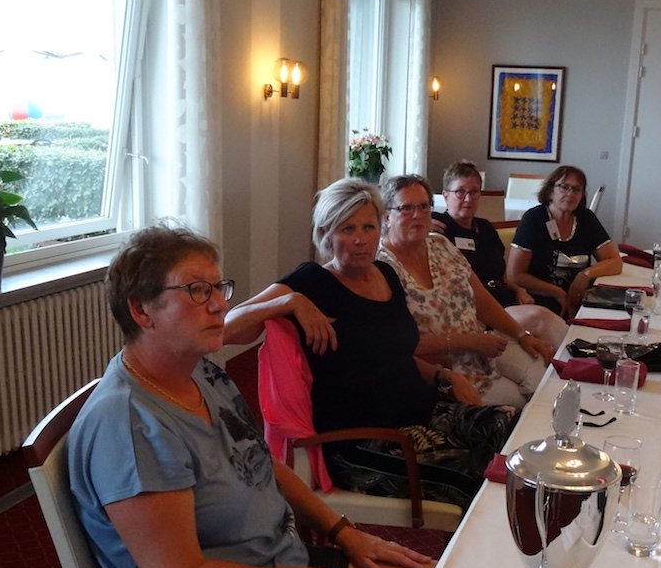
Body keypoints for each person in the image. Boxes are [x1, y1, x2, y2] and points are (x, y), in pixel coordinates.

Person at [66, 221, 434, 568]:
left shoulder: (199, 370)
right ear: (142, 311)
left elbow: (260, 462)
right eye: (197, 290)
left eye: (218, 287)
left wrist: (343, 531)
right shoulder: (130, 426)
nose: (220, 304)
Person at [225, 178, 518, 510]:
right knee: (477, 481)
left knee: (511, 428)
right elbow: (226, 329)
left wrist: (443, 376)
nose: (361, 239)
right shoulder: (311, 282)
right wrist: (290, 301)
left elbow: (394, 353)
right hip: (364, 442)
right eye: (347, 229)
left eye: (369, 227)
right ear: (325, 234)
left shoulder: (386, 273)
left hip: (423, 414)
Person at [376, 173, 556, 409]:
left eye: (423, 206)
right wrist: (467, 342)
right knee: (519, 405)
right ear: (387, 216)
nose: (417, 215)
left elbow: (481, 299)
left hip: (482, 347)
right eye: (406, 208)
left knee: (546, 377)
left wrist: (522, 335)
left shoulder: (441, 244)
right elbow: (394, 343)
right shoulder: (381, 267)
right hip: (442, 366)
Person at [507, 165, 624, 318]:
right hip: (539, 301)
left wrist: (585, 275)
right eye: (564, 187)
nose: (570, 193)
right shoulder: (534, 219)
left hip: (579, 299)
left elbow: (615, 262)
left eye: (577, 189)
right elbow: (515, 274)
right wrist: (557, 292)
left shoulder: (586, 218)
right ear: (550, 191)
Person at [430, 160, 531, 307]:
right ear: (446, 196)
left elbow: (501, 276)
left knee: (538, 314)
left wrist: (518, 290)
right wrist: (419, 226)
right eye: (460, 192)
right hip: (467, 303)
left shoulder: (486, 228)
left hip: (500, 297)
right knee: (538, 317)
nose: (468, 199)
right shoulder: (437, 225)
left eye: (474, 192)